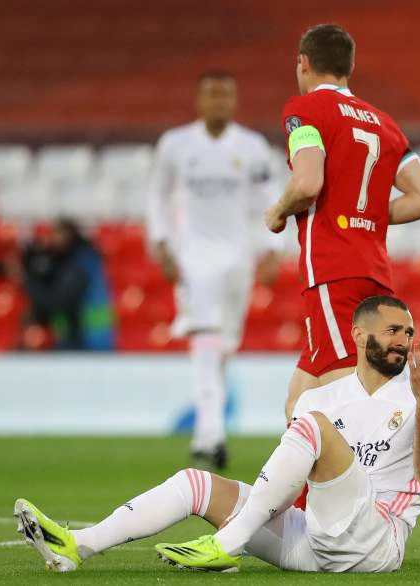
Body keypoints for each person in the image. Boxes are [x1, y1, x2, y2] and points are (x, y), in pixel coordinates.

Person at [15, 295, 420, 574]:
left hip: (376, 543)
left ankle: (229, 543)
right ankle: (77, 545)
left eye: (409, 332)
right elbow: (288, 485)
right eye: (393, 330)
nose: (404, 339)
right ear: (359, 334)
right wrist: (249, 512)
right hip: (312, 542)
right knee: (196, 483)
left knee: (313, 425)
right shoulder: (320, 397)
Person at [264, 23, 420, 525]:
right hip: (370, 271)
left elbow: (307, 182)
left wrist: (278, 210)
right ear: (349, 67)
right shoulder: (384, 123)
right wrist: (362, 212)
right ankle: (295, 512)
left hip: (332, 274)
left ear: (303, 62)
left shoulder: (304, 110)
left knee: (347, 407)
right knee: (299, 401)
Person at [145, 70, 283, 471]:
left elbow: (270, 196)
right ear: (199, 100)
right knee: (204, 339)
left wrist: (272, 248)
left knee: (222, 347)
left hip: (239, 259)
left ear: (234, 101)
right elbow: (157, 195)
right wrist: (161, 242)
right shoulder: (175, 144)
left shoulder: (252, 146)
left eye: (226, 95)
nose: (219, 102)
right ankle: (211, 434)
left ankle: (210, 426)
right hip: (194, 258)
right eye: (212, 94)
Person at [15, 219, 114, 351]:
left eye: (56, 234)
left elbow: (59, 299)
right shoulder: (83, 259)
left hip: (87, 339)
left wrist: (26, 282)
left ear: (68, 236)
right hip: (85, 337)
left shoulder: (79, 264)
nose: (51, 239)